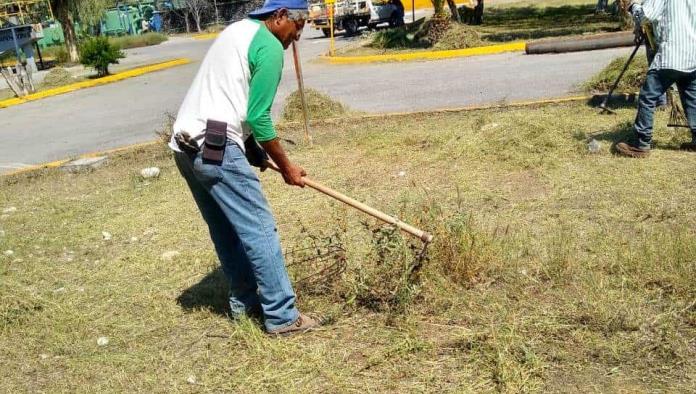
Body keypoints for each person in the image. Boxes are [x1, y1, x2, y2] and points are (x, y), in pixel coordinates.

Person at [169, 0, 320, 336]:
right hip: (216, 142)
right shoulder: (268, 45)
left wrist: (249, 149)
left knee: (226, 228)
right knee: (259, 227)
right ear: (280, 16)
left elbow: (228, 100)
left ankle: (245, 304)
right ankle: (282, 316)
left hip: (187, 143)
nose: (296, 38)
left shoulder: (237, 31)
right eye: (297, 28)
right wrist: (288, 167)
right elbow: (259, 117)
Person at [614, 0, 696, 158]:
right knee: (692, 97)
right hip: (692, 54)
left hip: (672, 55)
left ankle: (641, 144)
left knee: (647, 96)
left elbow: (645, 16)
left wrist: (632, 6)